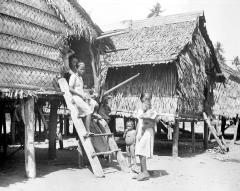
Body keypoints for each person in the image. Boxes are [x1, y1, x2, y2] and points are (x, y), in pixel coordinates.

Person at [69, 62, 98, 136]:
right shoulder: (73, 76)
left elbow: (81, 89)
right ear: (76, 68)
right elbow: (70, 89)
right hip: (76, 97)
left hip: (81, 97)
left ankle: (87, 115)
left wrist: (87, 95)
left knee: (95, 104)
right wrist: (80, 95)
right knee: (88, 112)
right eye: (81, 69)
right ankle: (87, 131)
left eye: (84, 69)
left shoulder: (81, 78)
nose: (83, 71)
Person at [133, 93, 157, 181]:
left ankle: (145, 173)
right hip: (140, 131)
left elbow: (151, 123)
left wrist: (143, 130)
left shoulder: (151, 110)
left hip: (147, 131)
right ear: (141, 98)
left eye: (149, 97)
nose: (147, 98)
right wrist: (136, 133)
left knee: (142, 151)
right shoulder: (140, 110)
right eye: (145, 97)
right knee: (139, 151)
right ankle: (142, 172)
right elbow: (139, 123)